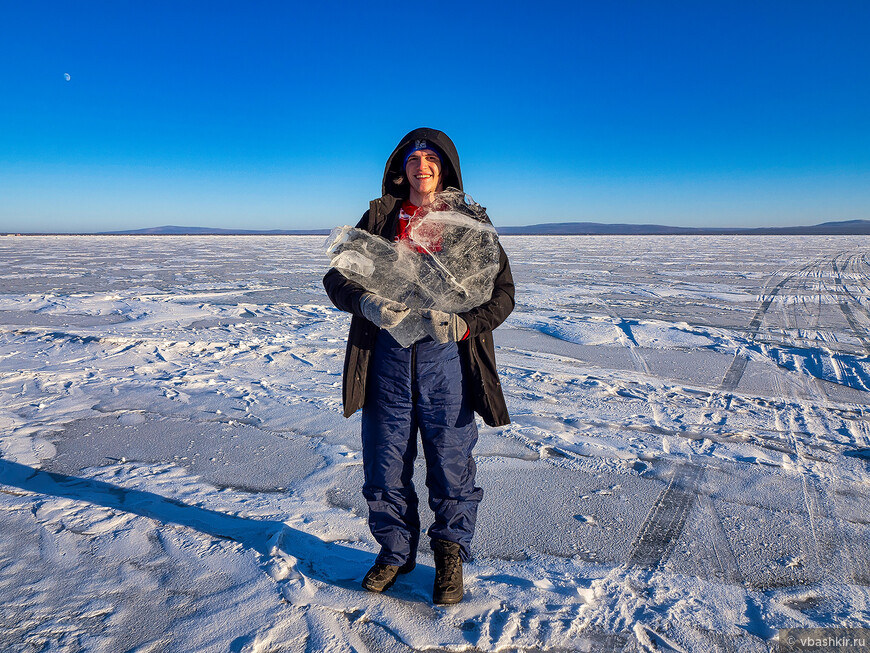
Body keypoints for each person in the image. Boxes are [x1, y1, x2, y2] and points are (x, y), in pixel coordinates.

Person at [323, 127, 514, 604]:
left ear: (444, 167)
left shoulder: (467, 222)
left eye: (432, 158)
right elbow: (337, 276)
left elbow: (503, 293)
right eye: (413, 158)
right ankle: (394, 553)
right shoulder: (380, 217)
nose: (422, 165)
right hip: (386, 354)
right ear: (400, 167)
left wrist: (465, 325)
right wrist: (366, 305)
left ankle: (450, 554)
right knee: (384, 464)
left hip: (444, 357)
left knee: (451, 463)